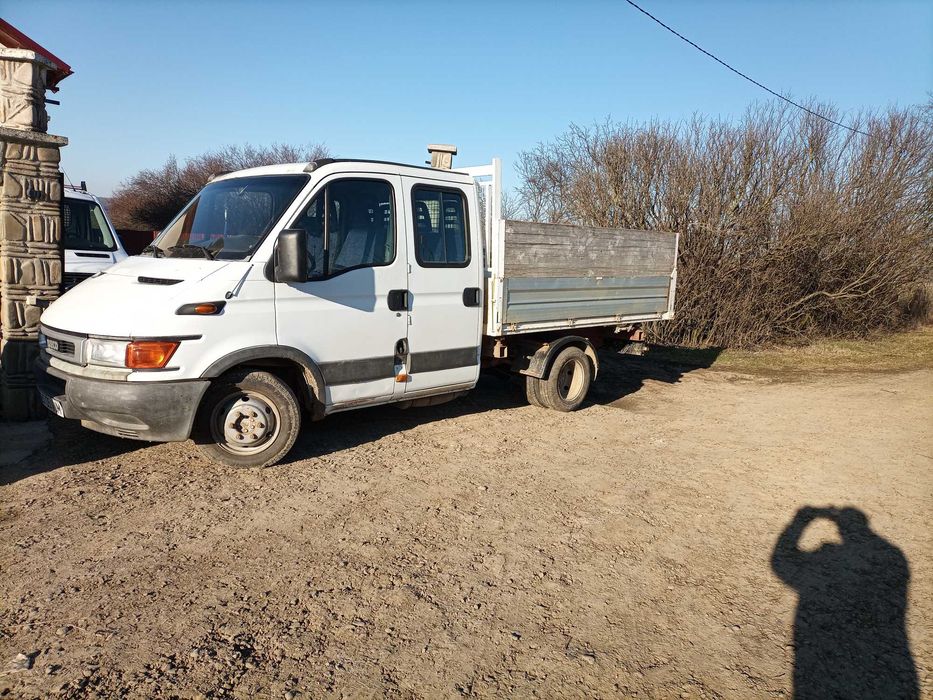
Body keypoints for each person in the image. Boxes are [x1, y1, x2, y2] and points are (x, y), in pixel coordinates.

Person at [771, 506, 918, 699]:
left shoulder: (890, 555)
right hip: (888, 666)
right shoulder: (893, 555)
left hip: (820, 669)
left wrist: (803, 518)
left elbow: (781, 562)